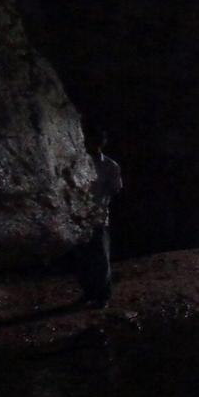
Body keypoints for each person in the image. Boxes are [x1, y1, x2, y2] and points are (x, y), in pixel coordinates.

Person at [78, 131, 123, 307]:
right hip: (80, 217)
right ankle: (89, 293)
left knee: (101, 257)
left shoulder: (111, 166)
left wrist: (100, 201)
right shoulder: (80, 163)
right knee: (84, 257)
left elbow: (115, 189)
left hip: (98, 215)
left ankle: (103, 295)